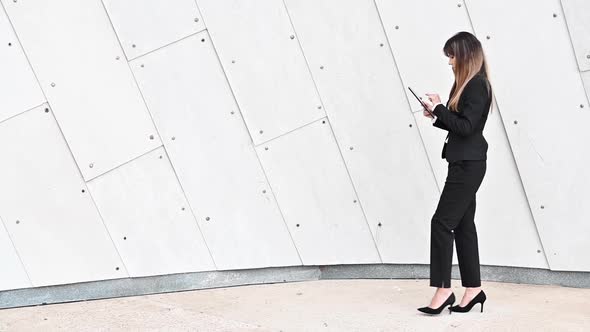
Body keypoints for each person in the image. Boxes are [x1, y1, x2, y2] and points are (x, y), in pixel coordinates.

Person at [417, 31, 493, 315]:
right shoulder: (467, 84)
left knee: (441, 223)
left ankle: (444, 289)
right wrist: (437, 115)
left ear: (465, 55)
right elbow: (459, 124)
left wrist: (439, 108)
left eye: (452, 55)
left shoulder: (476, 85)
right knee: (462, 225)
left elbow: (467, 128)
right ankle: (473, 289)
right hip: (464, 161)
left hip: (468, 164)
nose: (449, 62)